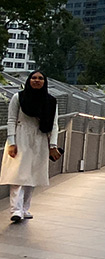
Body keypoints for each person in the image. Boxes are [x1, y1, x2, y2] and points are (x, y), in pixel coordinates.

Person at [4, 71, 60, 222]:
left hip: (40, 138)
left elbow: (54, 125)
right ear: (29, 80)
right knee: (18, 174)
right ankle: (16, 210)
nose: (37, 80)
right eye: (34, 78)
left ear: (44, 82)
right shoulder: (18, 97)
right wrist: (12, 142)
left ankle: (24, 208)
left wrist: (53, 145)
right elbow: (11, 120)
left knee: (32, 175)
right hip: (21, 137)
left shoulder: (50, 101)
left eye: (40, 78)